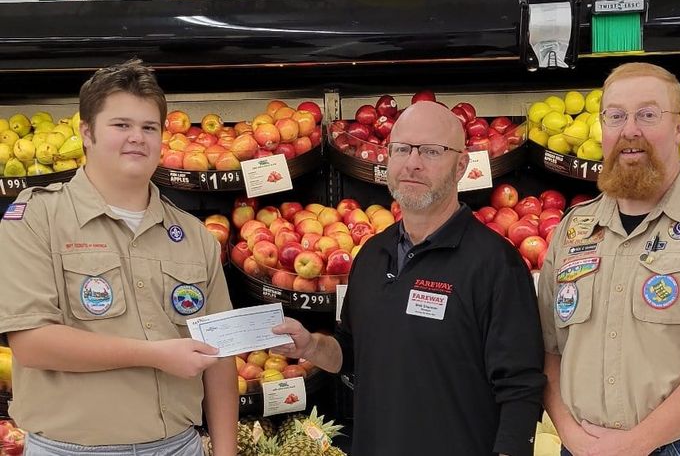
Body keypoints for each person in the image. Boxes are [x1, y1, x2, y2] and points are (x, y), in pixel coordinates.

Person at [273, 101, 546, 456]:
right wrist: (310, 346)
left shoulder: (496, 264)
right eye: (401, 149)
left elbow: (521, 388)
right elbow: (350, 353)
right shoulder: (371, 255)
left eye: (432, 151)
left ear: (462, 165)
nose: (413, 163)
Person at [0, 59, 238, 456]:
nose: (137, 138)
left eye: (149, 128)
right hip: (69, 450)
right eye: (121, 125)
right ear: (87, 133)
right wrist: (155, 355)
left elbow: (219, 356)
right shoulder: (36, 219)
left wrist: (226, 452)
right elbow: (33, 343)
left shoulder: (194, 236)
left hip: (180, 447)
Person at [538, 62, 680, 456]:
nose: (630, 129)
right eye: (616, 116)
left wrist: (637, 443)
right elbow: (548, 349)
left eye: (648, 114)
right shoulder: (574, 229)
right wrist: (568, 432)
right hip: (582, 446)